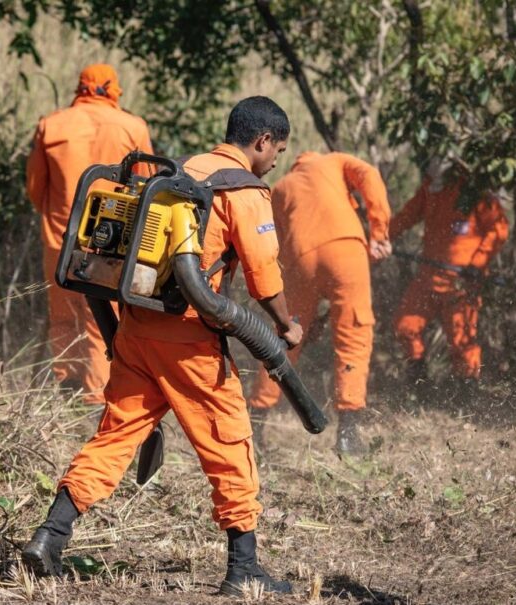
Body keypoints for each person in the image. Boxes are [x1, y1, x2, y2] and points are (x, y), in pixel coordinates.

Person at [22, 97, 302, 596]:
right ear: (261, 142)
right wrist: (286, 325)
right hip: (190, 339)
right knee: (229, 442)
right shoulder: (244, 189)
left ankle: (50, 536)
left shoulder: (184, 170)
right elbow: (263, 274)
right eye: (277, 150)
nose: (276, 160)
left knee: (113, 437)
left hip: (135, 327)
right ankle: (244, 569)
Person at [26, 63, 154, 405]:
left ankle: (65, 391)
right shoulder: (133, 126)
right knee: (104, 322)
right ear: (113, 90)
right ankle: (98, 398)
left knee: (64, 318)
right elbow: (149, 189)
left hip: (61, 241)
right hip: (113, 244)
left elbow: (36, 189)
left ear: (80, 87)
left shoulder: (51, 125)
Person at [249, 152, 391, 456]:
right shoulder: (333, 162)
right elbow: (369, 176)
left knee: (285, 340)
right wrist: (379, 231)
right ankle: (348, 435)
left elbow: (272, 243)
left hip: (299, 261)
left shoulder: (282, 187)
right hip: (345, 249)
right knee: (354, 336)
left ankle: (255, 423)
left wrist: (301, 317)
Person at [391, 159, 509, 388]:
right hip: (428, 277)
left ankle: (467, 397)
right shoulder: (430, 188)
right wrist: (377, 238)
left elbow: (499, 228)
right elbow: (406, 217)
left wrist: (477, 264)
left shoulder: (475, 191)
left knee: (462, 343)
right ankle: (419, 381)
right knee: (404, 327)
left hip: (461, 283)